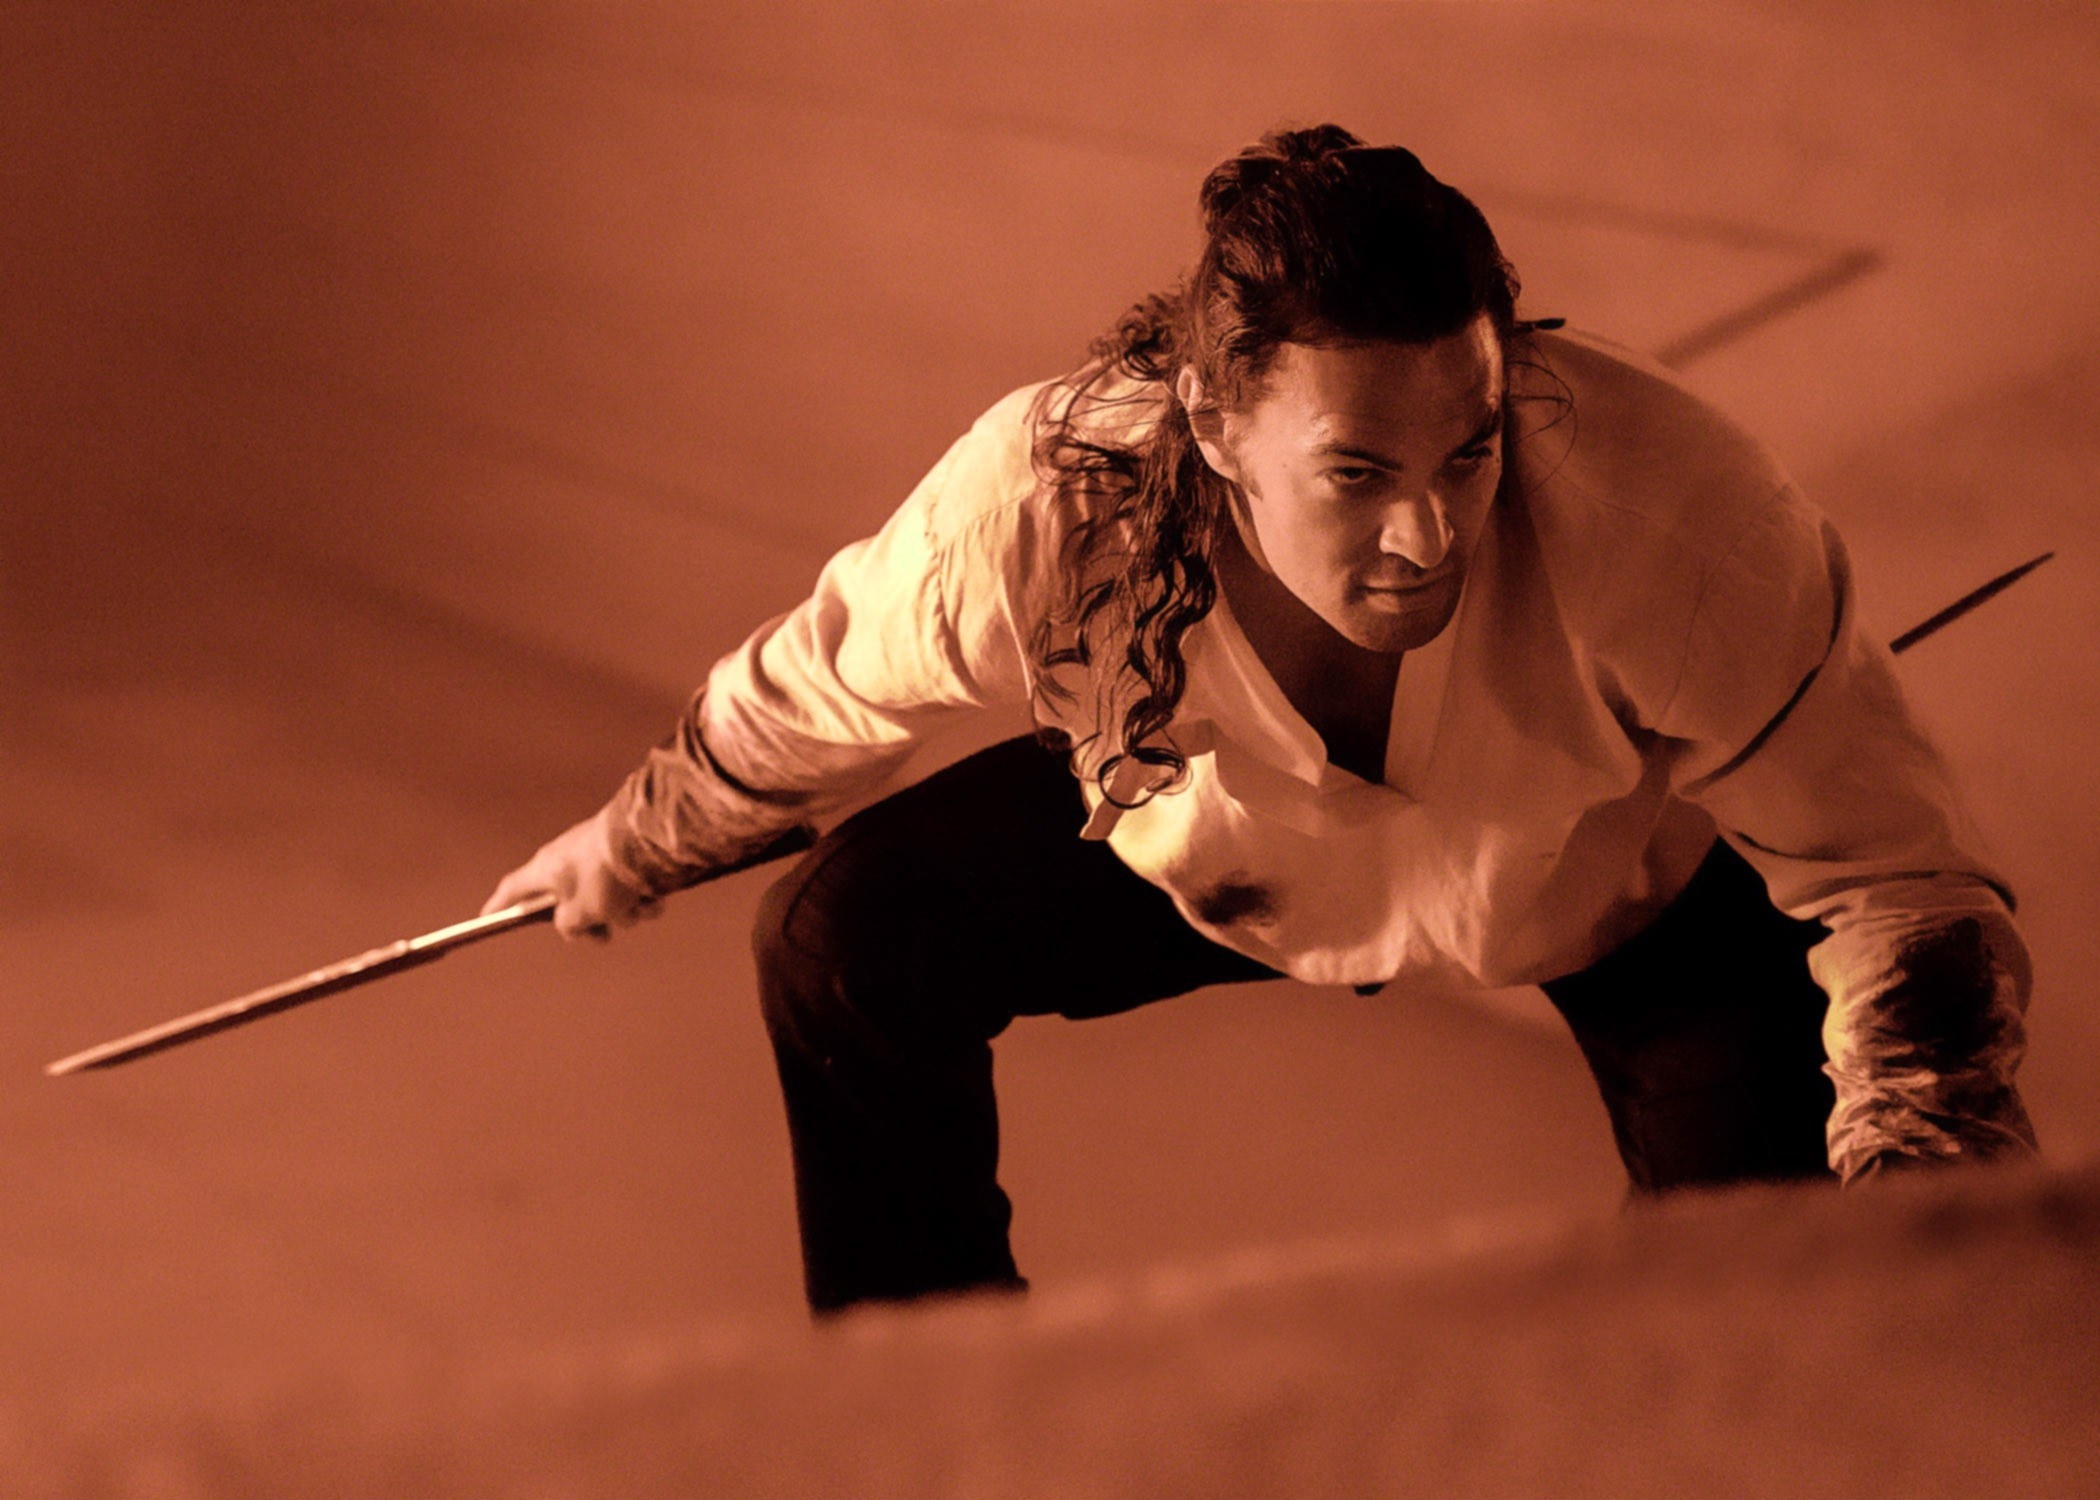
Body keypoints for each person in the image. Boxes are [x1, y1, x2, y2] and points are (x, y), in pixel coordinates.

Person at [484, 124, 2038, 1313]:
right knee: (841, 936)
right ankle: (935, 1403)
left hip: (1614, 883)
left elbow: (1897, 878)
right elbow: (823, 689)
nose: (1429, 536)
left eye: (1470, 455)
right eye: (1359, 476)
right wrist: (634, 839)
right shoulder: (1046, 503)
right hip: (1212, 842)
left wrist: (1924, 1178)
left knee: (1763, 1307)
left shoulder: (1679, 515)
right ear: (1215, 425)